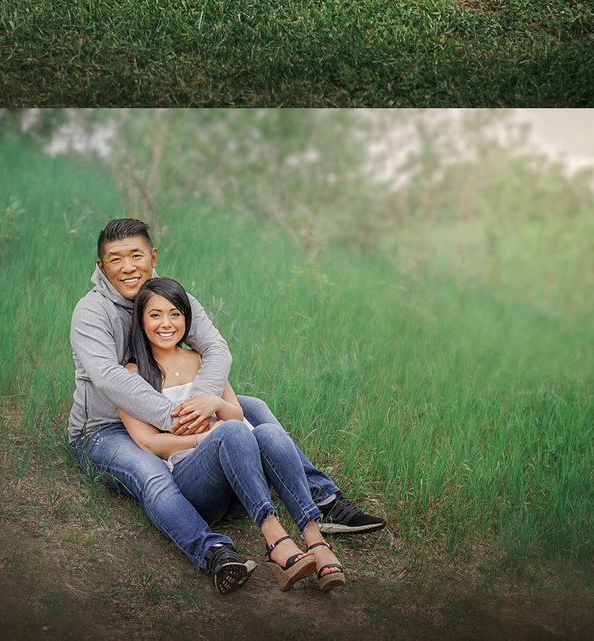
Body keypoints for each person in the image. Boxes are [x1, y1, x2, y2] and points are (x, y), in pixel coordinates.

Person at [67, 218, 383, 594]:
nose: (127, 267)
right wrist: (184, 420)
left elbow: (215, 349)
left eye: (136, 256)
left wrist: (203, 401)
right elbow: (110, 379)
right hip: (106, 428)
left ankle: (323, 498)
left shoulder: (169, 296)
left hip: (180, 406)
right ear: (101, 267)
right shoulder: (92, 313)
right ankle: (214, 550)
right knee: (151, 472)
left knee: (257, 411)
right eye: (115, 259)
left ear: (153, 257)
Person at [116, 277, 345, 593]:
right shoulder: (132, 374)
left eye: (175, 314)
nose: (166, 323)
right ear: (141, 320)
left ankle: (314, 537)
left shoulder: (201, 360)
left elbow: (236, 414)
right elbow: (148, 442)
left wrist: (215, 402)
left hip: (242, 483)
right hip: (196, 484)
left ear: (186, 317)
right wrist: (204, 439)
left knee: (268, 432)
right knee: (233, 432)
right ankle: (275, 539)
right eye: (155, 315)